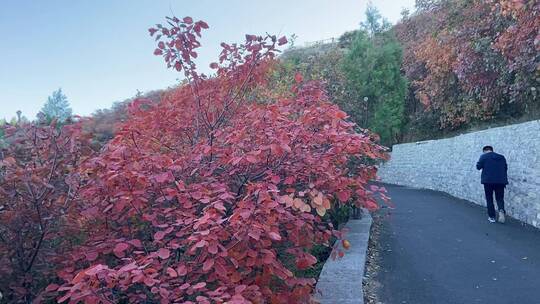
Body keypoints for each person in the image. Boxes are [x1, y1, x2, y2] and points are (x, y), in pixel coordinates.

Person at [476, 146, 508, 223]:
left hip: (488, 181)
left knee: (489, 198)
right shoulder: (501, 157)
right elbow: (505, 168)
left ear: (484, 151)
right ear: (492, 150)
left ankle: (492, 217)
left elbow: (478, 167)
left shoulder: (484, 157)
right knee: (500, 198)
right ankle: (501, 210)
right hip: (500, 181)